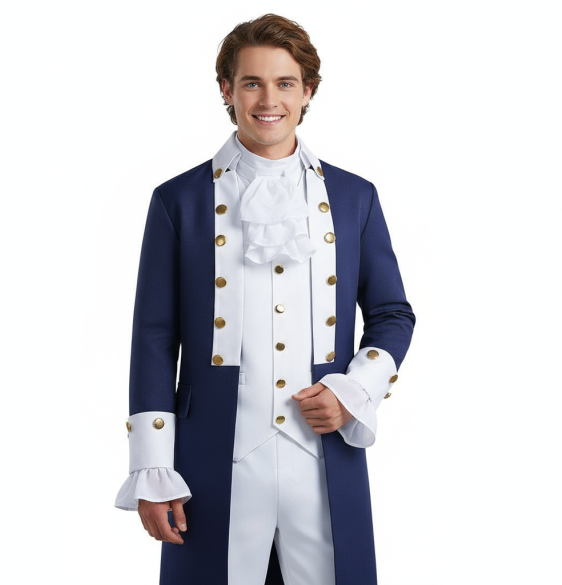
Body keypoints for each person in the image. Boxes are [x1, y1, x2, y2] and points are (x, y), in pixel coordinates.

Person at [115, 13, 415, 585]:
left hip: (324, 455)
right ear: (227, 91)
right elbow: (154, 337)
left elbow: (392, 314)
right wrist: (152, 469)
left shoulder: (355, 196)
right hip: (211, 459)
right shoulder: (178, 201)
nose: (268, 99)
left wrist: (354, 391)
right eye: (251, 82)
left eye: (285, 83)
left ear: (308, 91)